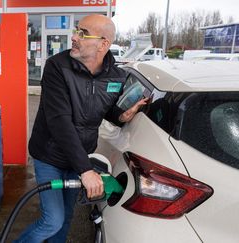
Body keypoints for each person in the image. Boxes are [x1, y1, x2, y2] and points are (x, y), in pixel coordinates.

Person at [15, 14, 148, 243]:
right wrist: (86, 170)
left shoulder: (115, 76)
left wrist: (121, 115)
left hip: (78, 157)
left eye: (83, 33)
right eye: (77, 30)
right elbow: (59, 122)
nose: (74, 37)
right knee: (52, 220)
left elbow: (104, 109)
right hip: (50, 155)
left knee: (66, 219)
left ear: (104, 44)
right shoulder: (58, 67)